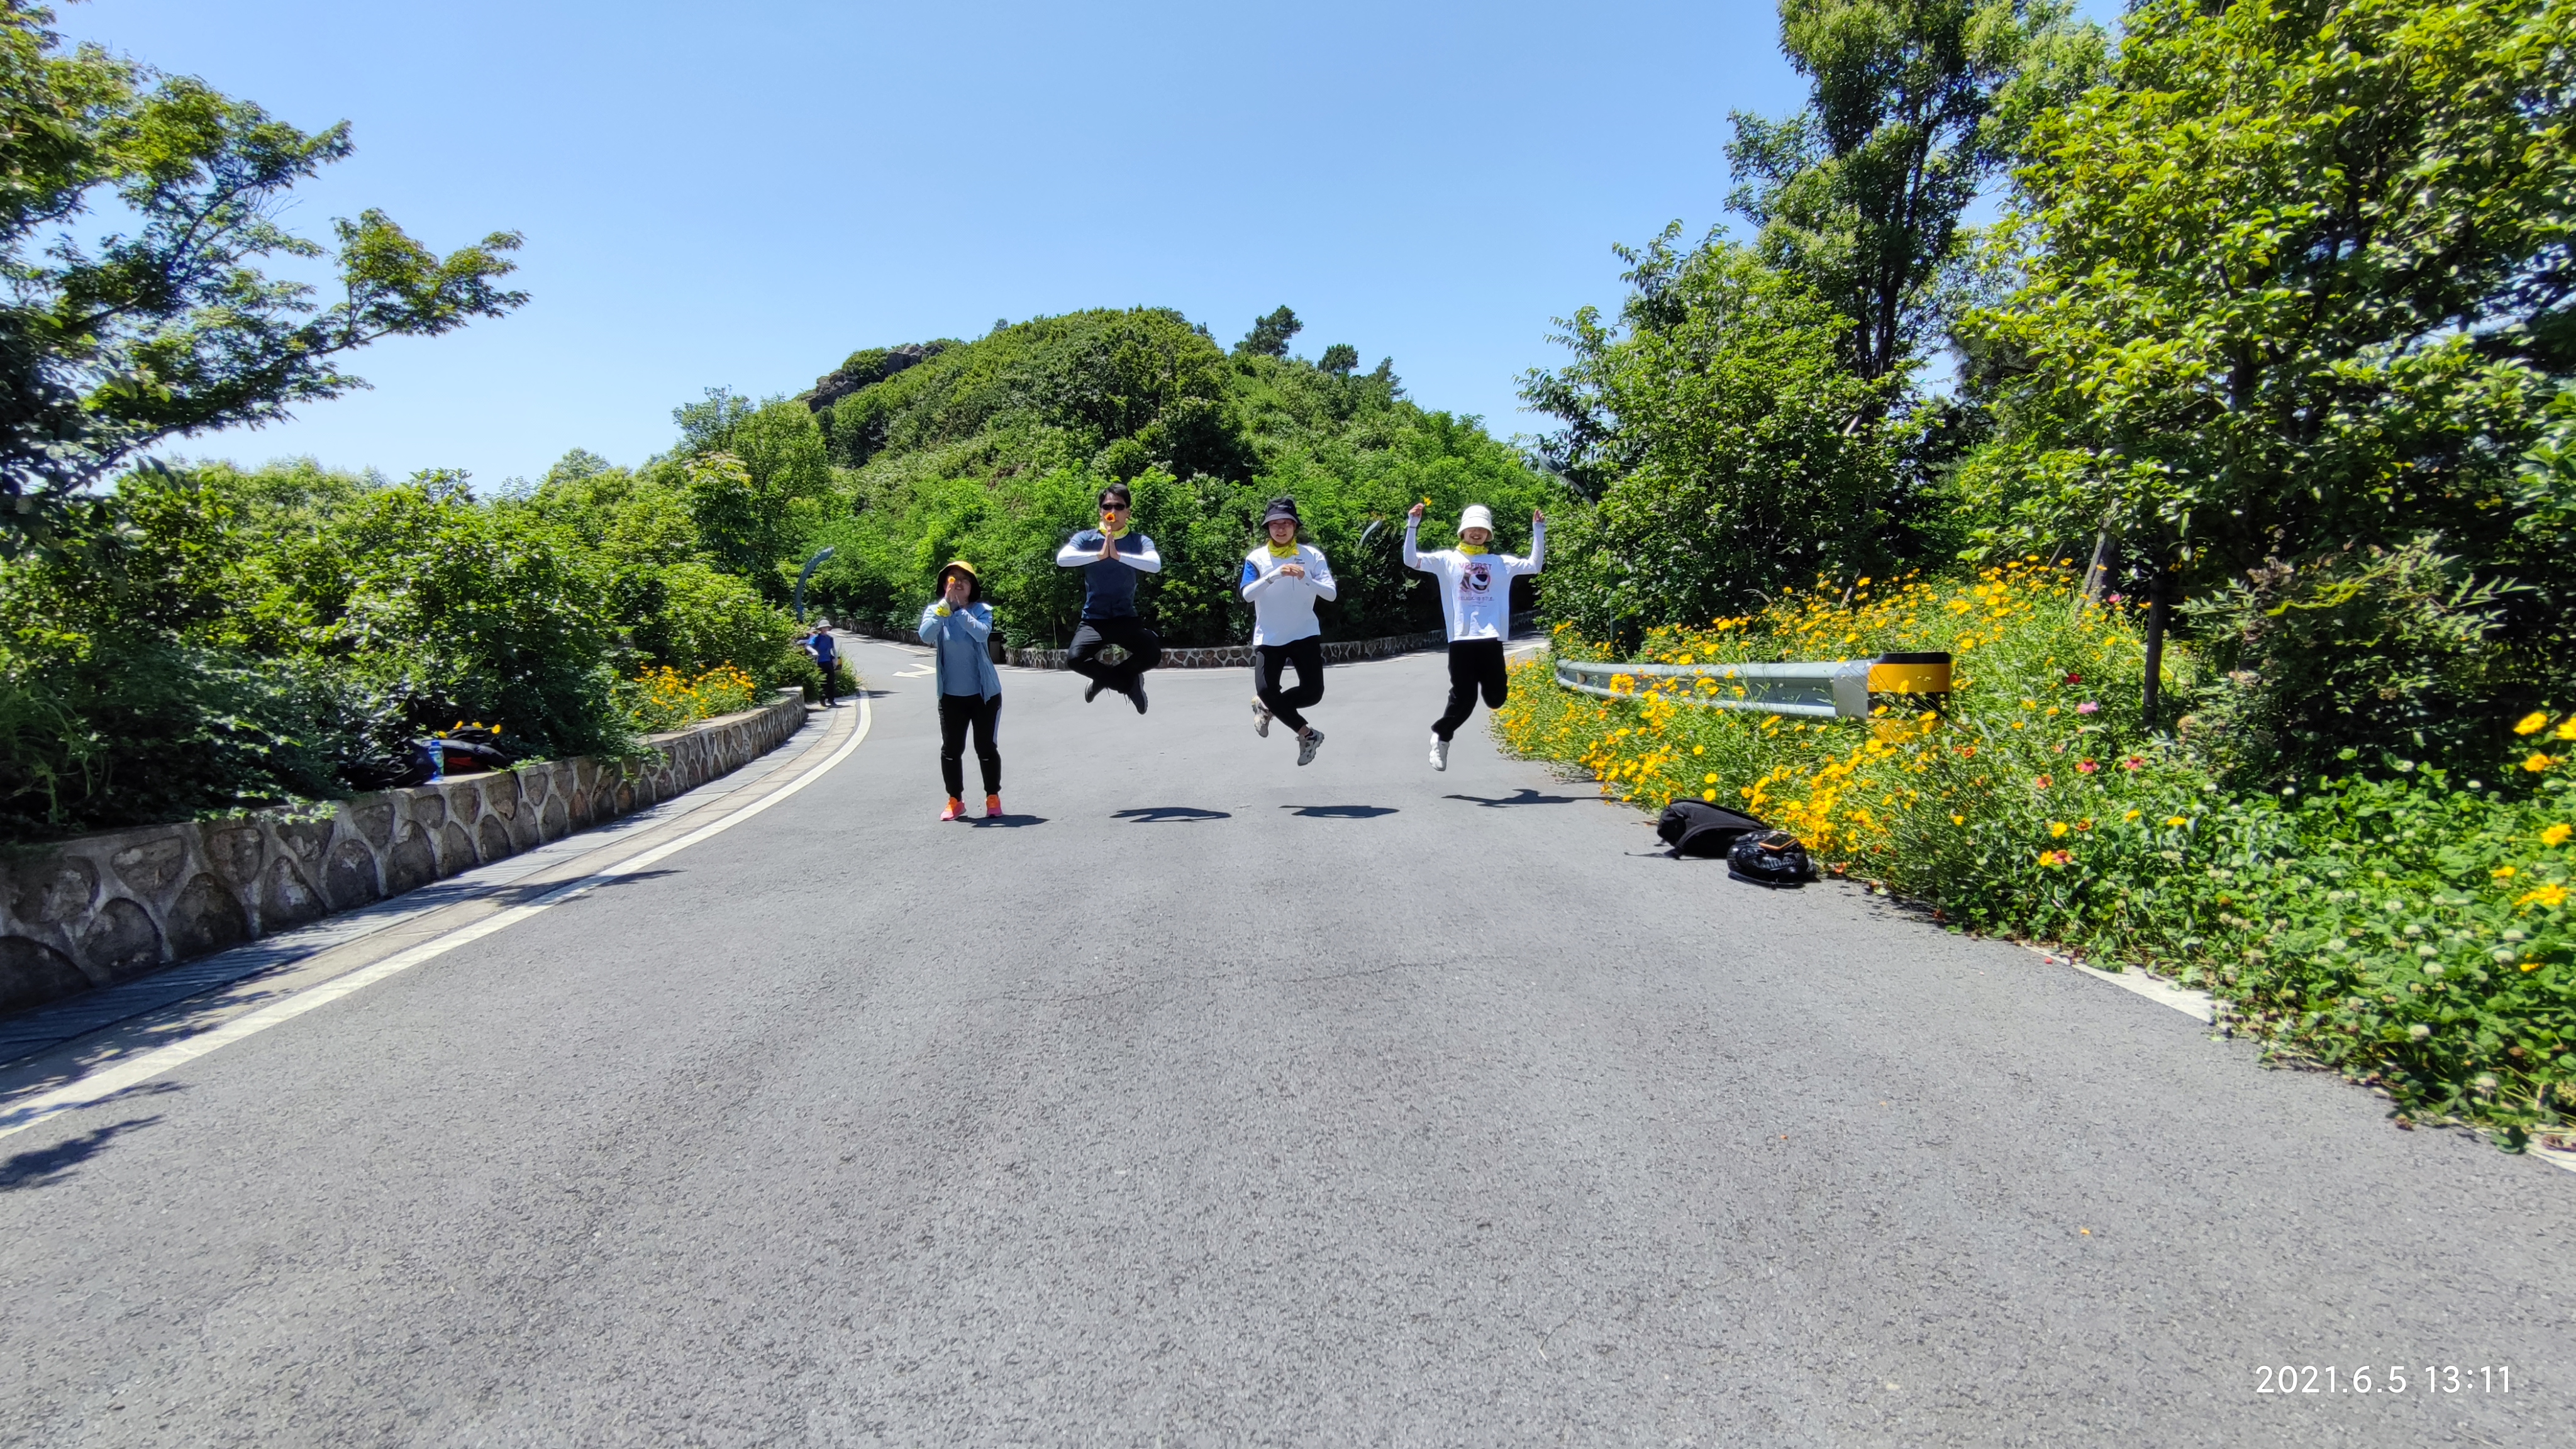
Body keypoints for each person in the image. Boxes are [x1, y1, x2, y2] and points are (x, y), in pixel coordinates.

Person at [1404, 500, 1545, 771]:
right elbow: (1411, 560)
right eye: (1472, 528)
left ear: (1488, 534)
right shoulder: (1448, 560)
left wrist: (1538, 530)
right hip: (1462, 640)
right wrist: (1412, 525)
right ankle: (1441, 737)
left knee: (1496, 699)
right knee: (1464, 699)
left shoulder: (1499, 563)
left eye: (1482, 529)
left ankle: (1445, 732)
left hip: (1492, 640)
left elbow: (1534, 566)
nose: (1477, 533)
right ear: (1463, 532)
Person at [1239, 496, 1335, 766]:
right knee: (1267, 689)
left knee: (1313, 693)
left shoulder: (1312, 556)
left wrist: (1308, 578)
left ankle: (1267, 708)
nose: (1280, 529)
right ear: (1267, 528)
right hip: (1270, 636)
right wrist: (1274, 575)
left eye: (1286, 523)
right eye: (1274, 524)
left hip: (1304, 632)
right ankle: (1307, 734)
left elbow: (1331, 594)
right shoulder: (1256, 559)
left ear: (1295, 526)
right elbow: (1247, 595)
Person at [1055, 482, 1162, 713]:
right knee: (1075, 658)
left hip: (1125, 617)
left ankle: (1103, 680)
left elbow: (1155, 565)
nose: (1112, 510)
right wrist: (1099, 555)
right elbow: (1063, 559)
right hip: (1095, 619)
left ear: (1128, 512)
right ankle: (1126, 683)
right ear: (1101, 511)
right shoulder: (1087, 538)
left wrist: (1119, 556)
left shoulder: (1138, 540)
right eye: (1107, 506)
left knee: (1152, 654)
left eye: (1118, 506)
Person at [918, 560, 1004, 821]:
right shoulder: (937, 611)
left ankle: (993, 796)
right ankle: (955, 800)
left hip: (984, 694)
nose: (956, 585)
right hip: (951, 696)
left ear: (972, 587)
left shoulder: (981, 611)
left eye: (963, 581)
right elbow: (925, 635)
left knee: (986, 747)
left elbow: (981, 635)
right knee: (951, 749)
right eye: (951, 581)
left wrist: (959, 613)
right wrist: (946, 608)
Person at [802, 623, 841, 706]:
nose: (825, 629)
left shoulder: (830, 638)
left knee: (831, 681)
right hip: (819, 662)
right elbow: (808, 646)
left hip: (828, 661)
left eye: (826, 627)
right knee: (823, 681)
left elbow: (833, 649)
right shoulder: (817, 638)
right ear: (821, 629)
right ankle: (822, 699)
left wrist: (836, 659)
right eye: (824, 627)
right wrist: (815, 652)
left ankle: (831, 700)